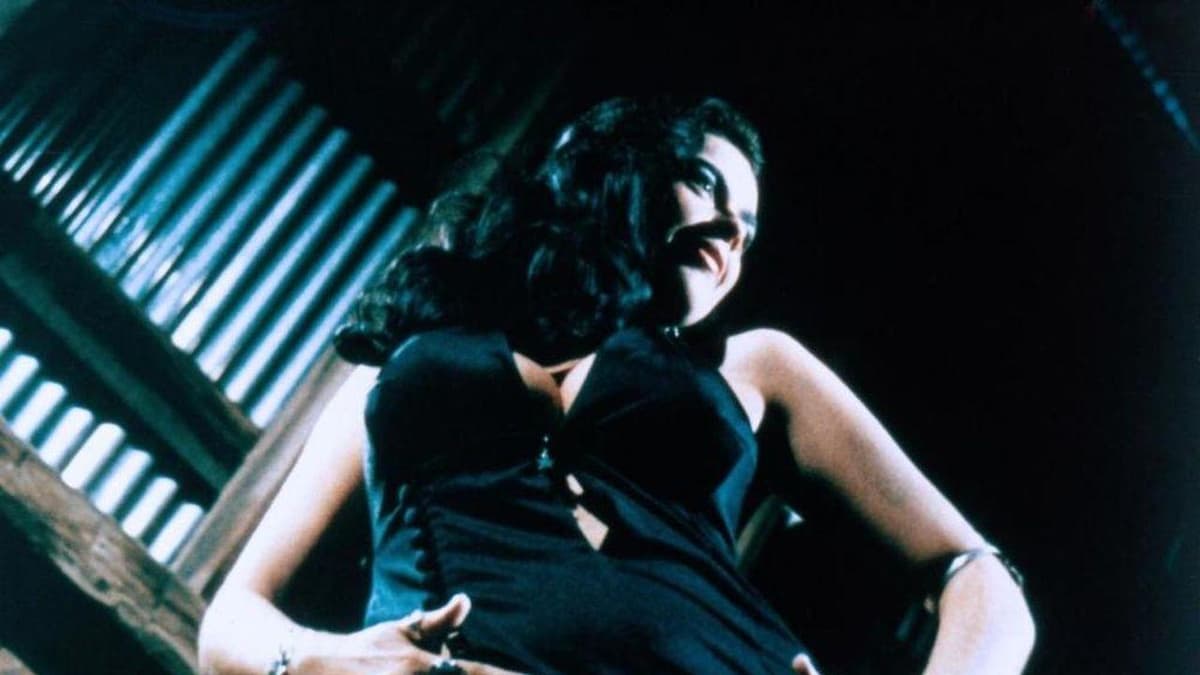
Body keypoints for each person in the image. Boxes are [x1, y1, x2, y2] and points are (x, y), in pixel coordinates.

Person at [197, 97, 1035, 674]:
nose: (728, 233)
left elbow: (979, 577)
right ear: (621, 168)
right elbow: (232, 619)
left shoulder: (756, 367)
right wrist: (317, 656)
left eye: (747, 232)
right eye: (706, 185)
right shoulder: (407, 366)